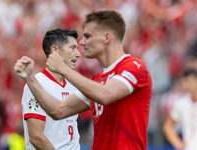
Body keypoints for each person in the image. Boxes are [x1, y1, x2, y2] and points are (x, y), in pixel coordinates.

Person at [14, 10, 152, 150]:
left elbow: (105, 95)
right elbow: (58, 110)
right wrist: (30, 79)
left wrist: (62, 68)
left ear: (106, 38)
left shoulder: (134, 67)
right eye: (74, 46)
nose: (83, 43)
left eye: (87, 36)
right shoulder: (96, 81)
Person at [19, 28, 81, 150]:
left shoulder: (73, 85)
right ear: (55, 50)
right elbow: (36, 136)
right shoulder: (37, 85)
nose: (78, 53)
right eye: (73, 48)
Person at [163, 69, 197, 150]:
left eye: (189, 81)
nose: (186, 84)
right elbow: (168, 126)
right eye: (184, 81)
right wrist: (177, 143)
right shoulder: (181, 103)